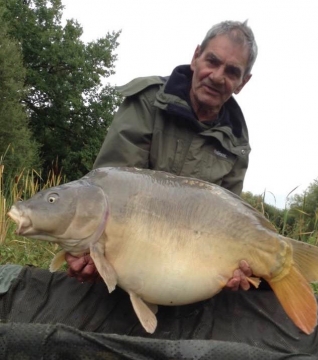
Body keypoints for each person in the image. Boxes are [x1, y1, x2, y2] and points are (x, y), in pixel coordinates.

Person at [65, 20, 257, 291]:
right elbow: (109, 192)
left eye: (232, 71)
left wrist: (231, 269)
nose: (216, 76)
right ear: (196, 57)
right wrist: (88, 249)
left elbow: (227, 219)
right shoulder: (147, 101)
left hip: (185, 268)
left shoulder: (236, 144)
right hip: (127, 251)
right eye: (212, 61)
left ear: (242, 83)